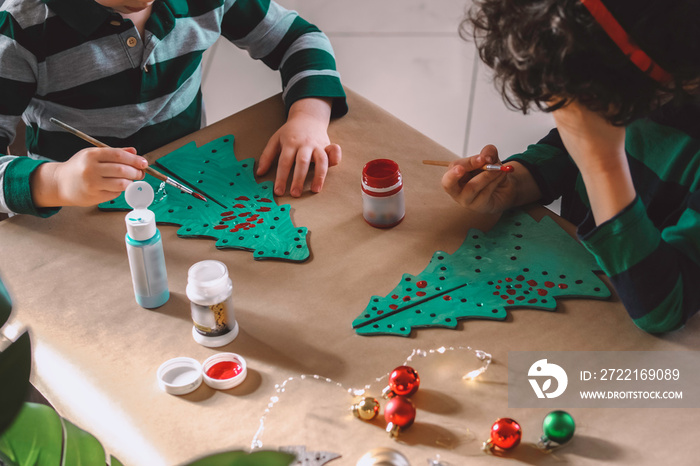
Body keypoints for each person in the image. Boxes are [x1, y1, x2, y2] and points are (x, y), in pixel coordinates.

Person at [443, 0, 700, 333]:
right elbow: (571, 145)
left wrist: (603, 165)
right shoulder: (627, 80)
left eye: (583, 101)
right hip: (582, 282)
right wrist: (520, 182)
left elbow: (664, 308)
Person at [0, 0, 347, 217]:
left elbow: (300, 39)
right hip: (78, 215)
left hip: (192, 185)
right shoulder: (18, 30)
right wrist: (57, 183)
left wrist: (308, 117)